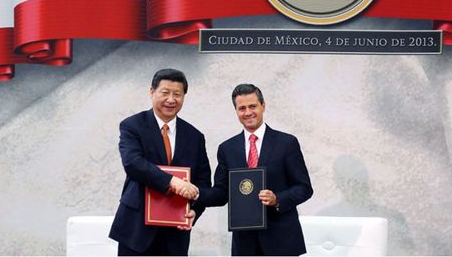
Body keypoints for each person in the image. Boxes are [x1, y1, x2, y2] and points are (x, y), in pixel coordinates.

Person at [198, 84, 313, 256]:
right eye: (242, 108)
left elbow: (304, 188)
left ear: (263, 106)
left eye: (253, 106)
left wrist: (277, 199)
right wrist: (196, 194)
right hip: (245, 243)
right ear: (236, 111)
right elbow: (221, 193)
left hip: (281, 240)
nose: (248, 112)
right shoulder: (227, 148)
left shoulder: (287, 143)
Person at [109, 69, 211, 256]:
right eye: (165, 93)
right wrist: (172, 181)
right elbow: (133, 163)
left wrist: (195, 211)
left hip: (175, 234)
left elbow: (203, 182)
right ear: (152, 92)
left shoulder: (195, 136)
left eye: (177, 94)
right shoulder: (132, 125)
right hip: (136, 229)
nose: (171, 100)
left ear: (184, 97)